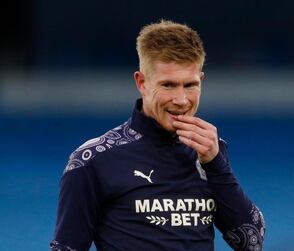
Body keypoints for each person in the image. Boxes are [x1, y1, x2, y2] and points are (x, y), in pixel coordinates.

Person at [51, 20, 265, 251]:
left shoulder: (209, 151)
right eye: (169, 85)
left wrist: (215, 164)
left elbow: (251, 242)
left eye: (190, 85)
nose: (182, 100)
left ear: (201, 81)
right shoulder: (93, 160)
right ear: (141, 83)